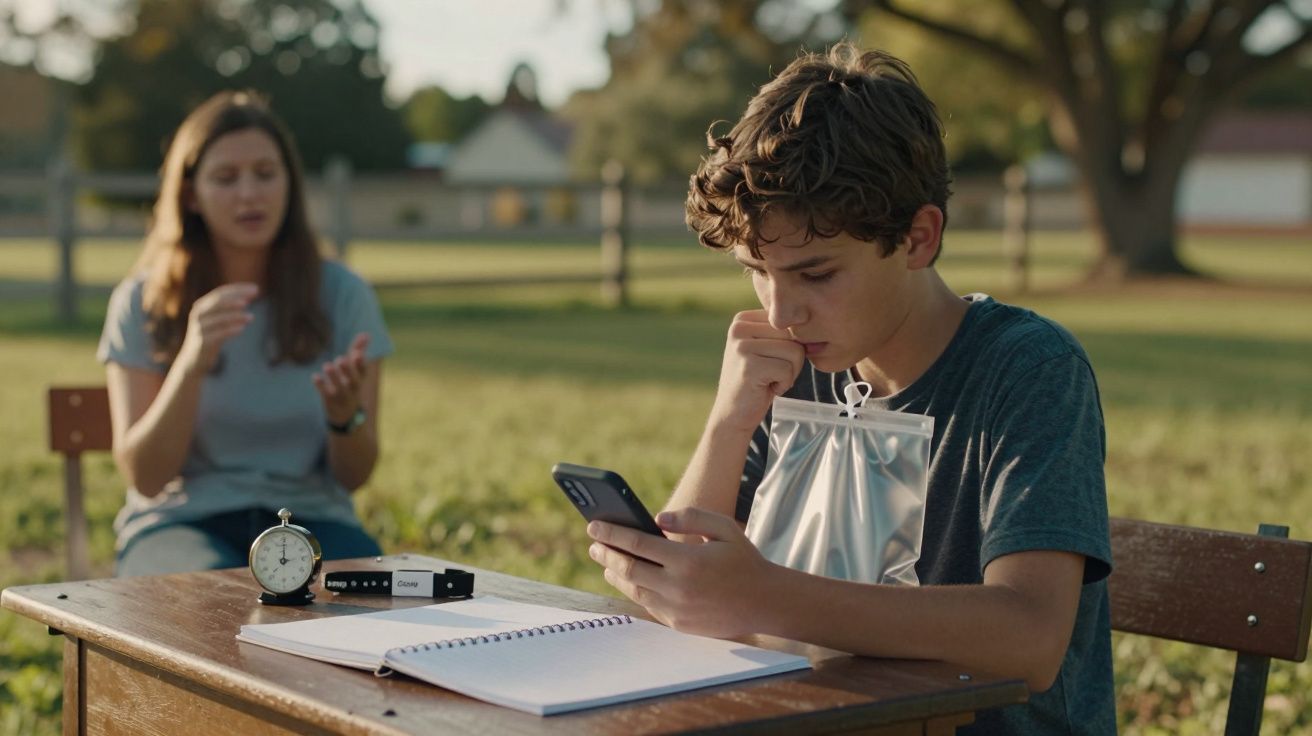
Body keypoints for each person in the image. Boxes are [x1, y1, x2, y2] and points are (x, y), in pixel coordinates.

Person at [584, 44, 1114, 734]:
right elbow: (682, 594)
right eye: (756, 270)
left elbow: (1030, 637)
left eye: (816, 274)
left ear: (919, 238)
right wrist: (729, 420)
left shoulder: (1027, 368)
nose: (781, 311)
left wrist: (764, 597)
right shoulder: (794, 361)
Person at [99, 91, 393, 576]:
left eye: (265, 173)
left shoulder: (344, 294)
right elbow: (147, 477)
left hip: (316, 525)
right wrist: (192, 362)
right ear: (191, 194)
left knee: (369, 616)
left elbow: (355, 476)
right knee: (210, 608)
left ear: (289, 184)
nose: (250, 194)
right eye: (226, 178)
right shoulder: (141, 302)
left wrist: (346, 419)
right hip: (181, 525)